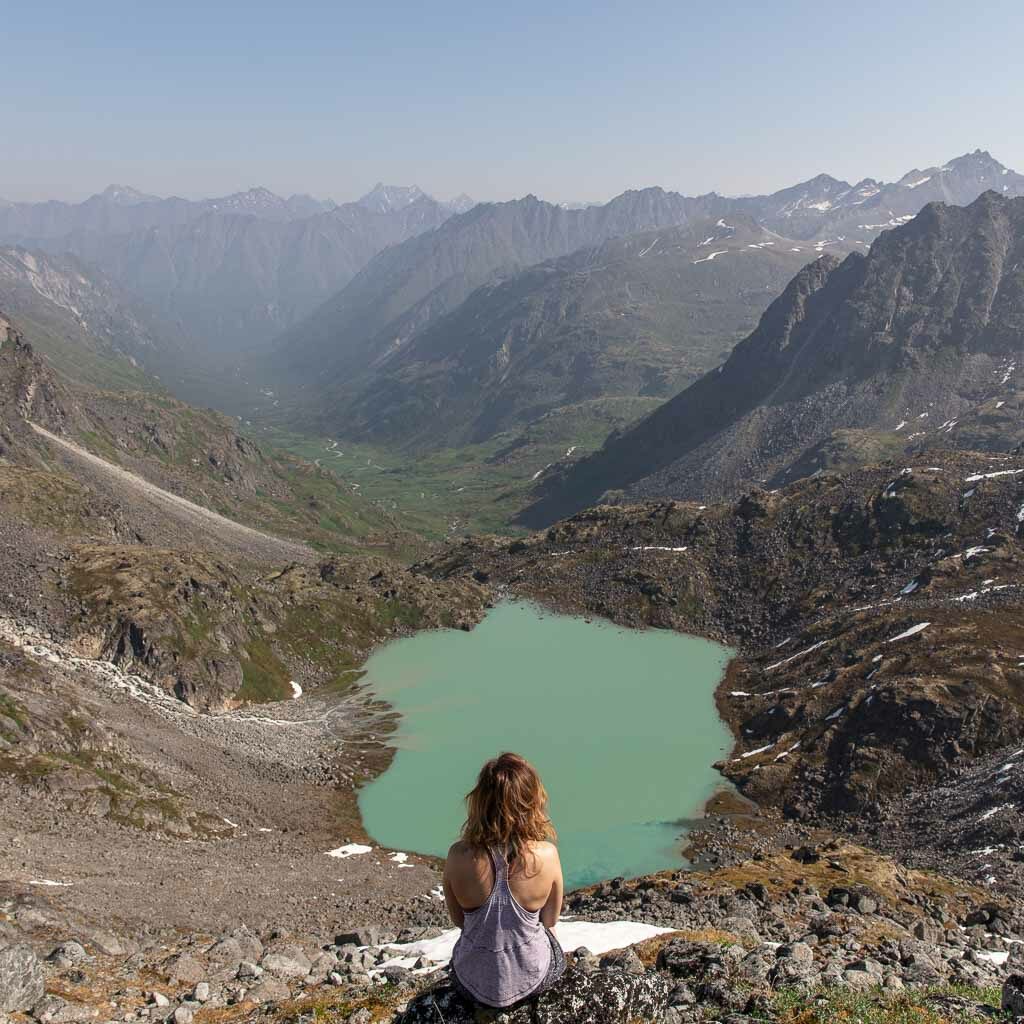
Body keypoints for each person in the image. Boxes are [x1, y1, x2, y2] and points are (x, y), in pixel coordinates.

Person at [443, 752, 566, 1008]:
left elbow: (459, 921)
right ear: (532, 801)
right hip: (533, 980)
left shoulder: (457, 855)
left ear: (480, 802)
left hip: (471, 984)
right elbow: (550, 921)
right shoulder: (546, 854)